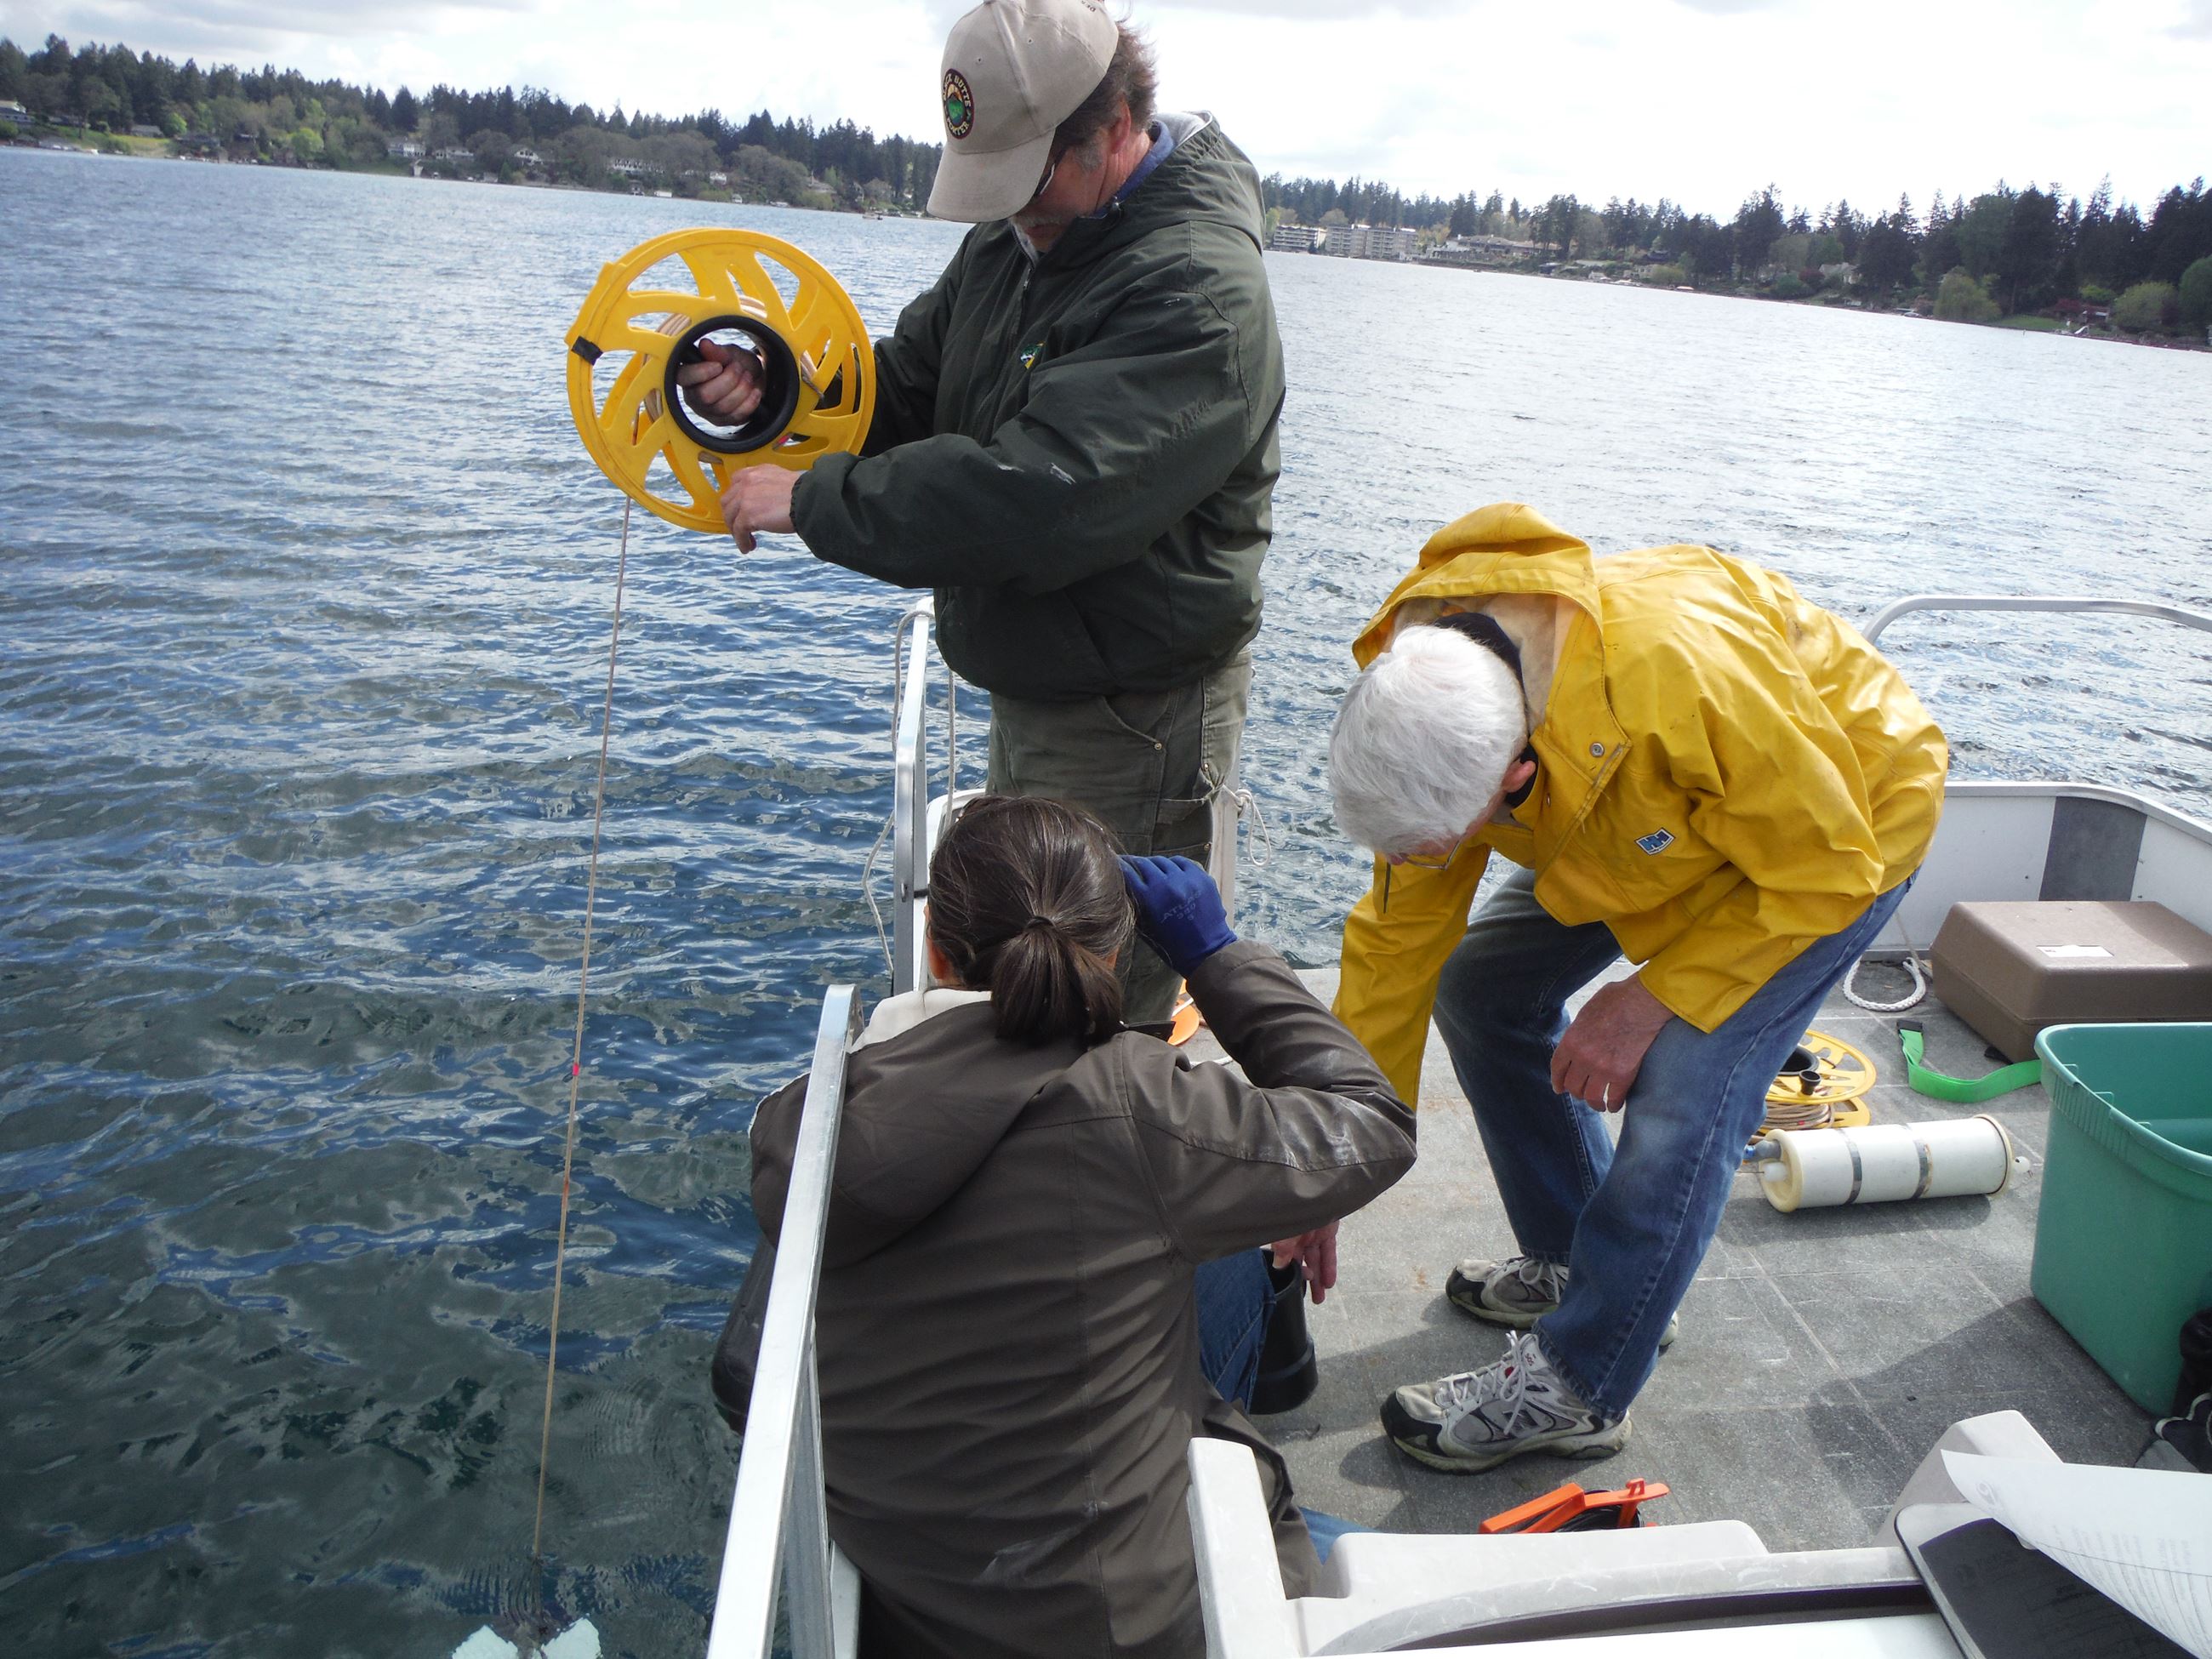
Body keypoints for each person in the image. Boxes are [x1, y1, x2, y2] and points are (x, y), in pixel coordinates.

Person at [680, 0, 1286, 1037]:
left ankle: (1107, 1177)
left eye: (1025, 183)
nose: (1012, 215)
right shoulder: (1025, 236)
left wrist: (817, 502)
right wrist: (772, 390)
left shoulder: (1194, 289)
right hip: (1045, 677)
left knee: (1101, 1004)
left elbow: (1037, 496)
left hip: (1131, 720)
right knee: (1030, 971)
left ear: (1109, 130)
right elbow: (904, 386)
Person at [1325, 502, 1947, 1474]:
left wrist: (1648, 997)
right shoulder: (1439, 692)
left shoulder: (1678, 672)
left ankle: (1580, 1383)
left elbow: (1825, 866)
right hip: (1664, 822)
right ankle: (1579, 1266)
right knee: (1480, 987)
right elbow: (1394, 948)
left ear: (1514, 769)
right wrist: (1327, 1159)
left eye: (1451, 840)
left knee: (1686, 1089)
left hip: (1841, 833)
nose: (1434, 862)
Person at [747, 795, 1413, 1659]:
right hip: (1138, 1622)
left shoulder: (815, 1122)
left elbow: (745, 1379)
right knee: (1237, 1269)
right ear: (1112, 956)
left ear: (935, 954)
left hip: (922, 1612)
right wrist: (1215, 956)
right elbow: (1369, 1125)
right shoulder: (1141, 1105)